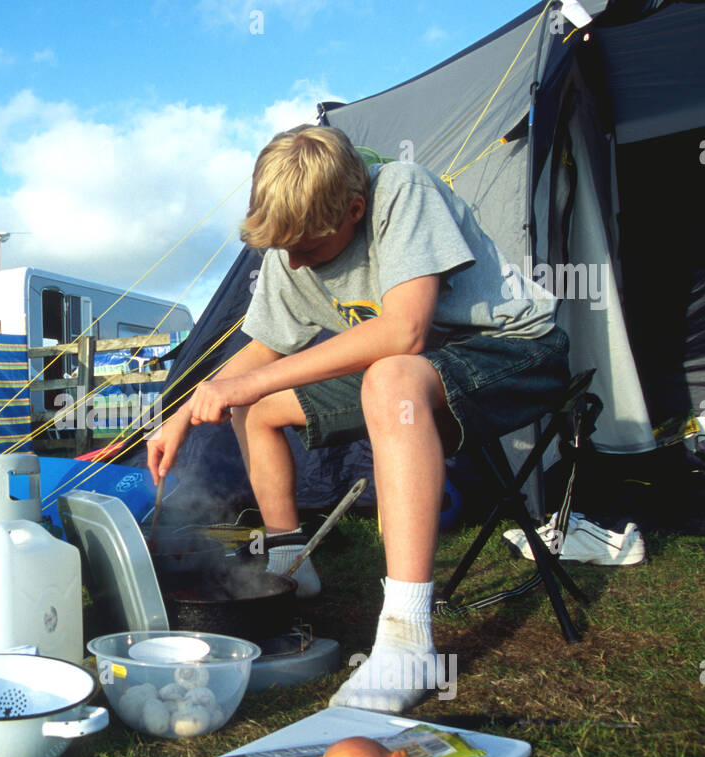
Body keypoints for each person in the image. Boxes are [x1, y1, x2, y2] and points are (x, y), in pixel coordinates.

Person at [147, 125, 568, 713]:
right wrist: (181, 412)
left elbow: (405, 331)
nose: (292, 263)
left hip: (513, 347)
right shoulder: (290, 246)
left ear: (354, 210)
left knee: (390, 375)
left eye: (309, 250)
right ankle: (290, 561)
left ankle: (406, 641)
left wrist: (245, 380)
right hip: (420, 368)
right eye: (281, 251)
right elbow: (263, 347)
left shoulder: (402, 189)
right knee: (257, 405)